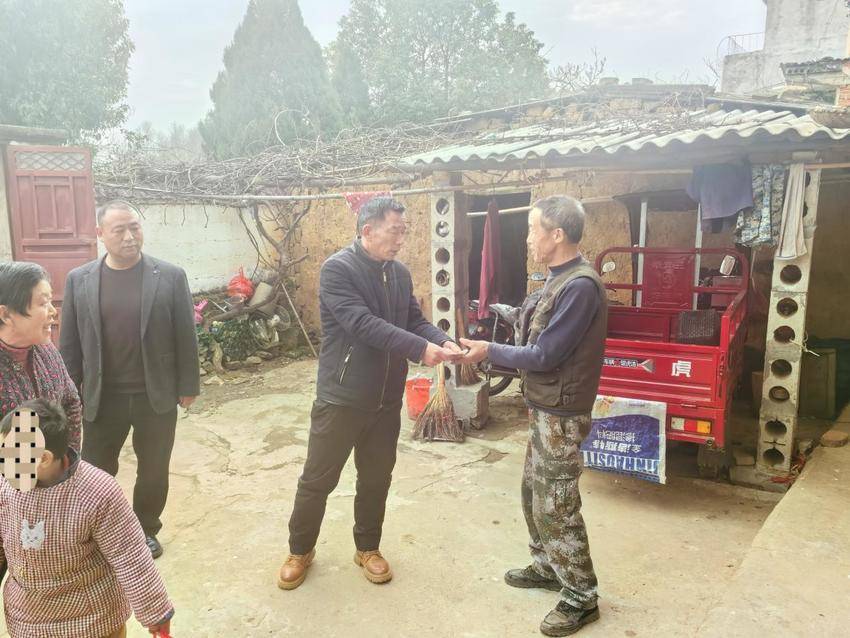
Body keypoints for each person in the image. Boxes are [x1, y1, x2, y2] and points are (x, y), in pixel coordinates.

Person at [278, 197, 463, 590]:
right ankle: (300, 550)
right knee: (318, 479)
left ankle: (367, 548)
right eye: (394, 231)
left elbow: (413, 320)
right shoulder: (338, 270)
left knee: (376, 477)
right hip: (342, 397)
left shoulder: (399, 273)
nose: (401, 240)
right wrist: (419, 349)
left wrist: (442, 340)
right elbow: (362, 324)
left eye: (404, 231)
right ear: (367, 230)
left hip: (385, 400)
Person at [460, 195, 608, 637]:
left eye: (532, 229)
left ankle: (581, 595)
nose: (527, 238)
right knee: (533, 492)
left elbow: (545, 354)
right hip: (545, 405)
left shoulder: (580, 286)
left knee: (556, 502)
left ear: (556, 234)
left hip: (562, 412)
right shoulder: (558, 279)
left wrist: (489, 350)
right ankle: (547, 566)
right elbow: (537, 330)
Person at [60, 200, 200, 559]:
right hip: (102, 396)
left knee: (153, 469)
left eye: (134, 227)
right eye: (118, 230)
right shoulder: (80, 279)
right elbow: (70, 343)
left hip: (156, 395)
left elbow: (186, 334)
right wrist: (68, 391)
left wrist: (188, 386)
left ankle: (145, 529)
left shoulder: (169, 276)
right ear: (100, 234)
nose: (128, 236)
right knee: (96, 470)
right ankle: (100, 531)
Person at [0, 398, 174, 638]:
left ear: (43, 459)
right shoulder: (6, 487)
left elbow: (130, 556)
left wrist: (156, 614)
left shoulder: (97, 492)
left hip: (93, 622)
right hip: (29, 621)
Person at [0, 261, 81, 453]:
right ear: (5, 314)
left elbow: (71, 402)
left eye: (51, 301)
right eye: (43, 303)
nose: (53, 311)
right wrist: (27, 470)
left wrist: (65, 459)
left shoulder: (47, 351)